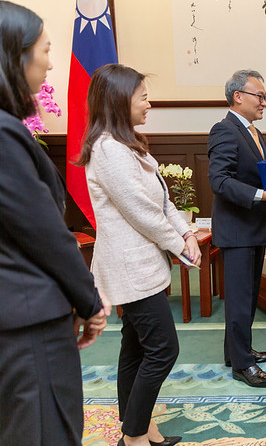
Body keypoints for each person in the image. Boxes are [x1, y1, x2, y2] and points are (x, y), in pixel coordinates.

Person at [0, 0, 110, 446]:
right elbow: (44, 234)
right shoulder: (5, 135)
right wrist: (90, 301)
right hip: (26, 323)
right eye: (45, 50)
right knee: (46, 431)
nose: (49, 64)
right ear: (16, 55)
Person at [78, 63, 199, 446]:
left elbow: (161, 201)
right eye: (143, 97)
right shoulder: (107, 149)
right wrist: (180, 246)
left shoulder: (127, 142)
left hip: (142, 265)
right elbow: (142, 212)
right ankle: (133, 437)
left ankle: (140, 428)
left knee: (135, 348)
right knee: (163, 350)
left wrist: (187, 232)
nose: (149, 104)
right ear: (119, 100)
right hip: (131, 269)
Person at [208, 69, 266, 387]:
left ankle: (237, 352)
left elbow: (257, 174)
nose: (264, 102)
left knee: (248, 296)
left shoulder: (253, 131)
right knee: (240, 300)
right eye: (260, 96)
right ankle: (242, 366)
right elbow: (219, 180)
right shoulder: (224, 130)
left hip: (254, 227)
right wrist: (261, 195)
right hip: (237, 230)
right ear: (238, 96)